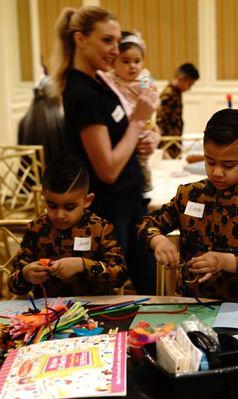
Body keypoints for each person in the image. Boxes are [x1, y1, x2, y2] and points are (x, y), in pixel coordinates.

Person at [50, 6, 157, 294]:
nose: (114, 49)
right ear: (80, 39)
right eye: (106, 40)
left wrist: (141, 139)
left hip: (130, 202)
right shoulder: (81, 92)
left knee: (150, 282)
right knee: (105, 294)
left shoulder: (99, 82)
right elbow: (107, 169)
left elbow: (119, 139)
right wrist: (136, 122)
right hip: (109, 211)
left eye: (116, 41)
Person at [138, 109, 238, 303]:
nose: (217, 172)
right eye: (210, 161)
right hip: (190, 299)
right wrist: (159, 240)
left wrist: (224, 261)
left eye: (228, 165)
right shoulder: (189, 195)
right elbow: (145, 223)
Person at [8, 155, 127, 297]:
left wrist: (82, 265)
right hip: (49, 313)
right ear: (44, 197)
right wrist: (25, 275)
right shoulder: (36, 229)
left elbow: (120, 275)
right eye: (51, 206)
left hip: (94, 311)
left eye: (70, 207)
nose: (59, 215)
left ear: (87, 201)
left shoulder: (100, 229)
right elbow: (13, 285)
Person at [98, 30, 161, 197]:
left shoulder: (144, 79)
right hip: (123, 127)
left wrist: (152, 128)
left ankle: (145, 185)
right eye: (126, 61)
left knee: (141, 155)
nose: (133, 66)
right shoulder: (110, 80)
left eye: (137, 61)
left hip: (142, 121)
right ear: (114, 63)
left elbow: (153, 99)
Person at [17, 75, 66, 164]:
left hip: (30, 177)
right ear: (56, 97)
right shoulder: (61, 123)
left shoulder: (23, 123)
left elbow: (22, 159)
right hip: (54, 176)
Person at [155, 63, 200, 159]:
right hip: (168, 143)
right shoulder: (169, 95)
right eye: (189, 84)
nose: (189, 88)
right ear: (181, 79)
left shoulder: (176, 93)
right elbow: (160, 121)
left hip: (174, 141)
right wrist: (163, 146)